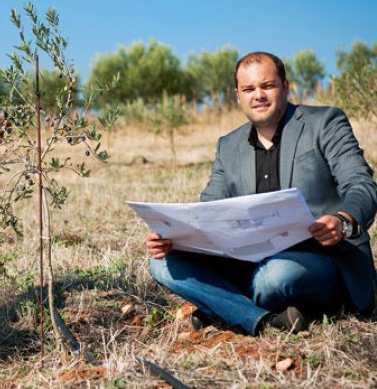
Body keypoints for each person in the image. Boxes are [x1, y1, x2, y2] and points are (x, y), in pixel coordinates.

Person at [146, 51, 377, 336]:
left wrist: (343, 220)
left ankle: (221, 308)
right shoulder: (228, 146)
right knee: (162, 266)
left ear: (285, 87)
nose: (258, 95)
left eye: (267, 86)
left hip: (320, 259)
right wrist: (176, 239)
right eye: (249, 89)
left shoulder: (325, 123)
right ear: (238, 96)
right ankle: (263, 319)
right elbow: (206, 212)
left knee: (274, 276)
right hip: (248, 261)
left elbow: (361, 185)